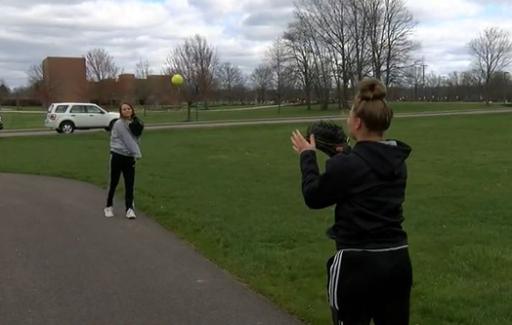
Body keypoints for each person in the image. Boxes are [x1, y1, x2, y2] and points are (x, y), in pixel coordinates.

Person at [291, 78, 413, 325]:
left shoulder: (346, 166)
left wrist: (307, 156)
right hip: (397, 261)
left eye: (349, 116)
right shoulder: (398, 162)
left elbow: (314, 196)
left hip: (357, 267)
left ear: (357, 123)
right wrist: (343, 154)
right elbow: (368, 168)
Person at [104, 102, 142, 219]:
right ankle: (109, 206)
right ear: (121, 112)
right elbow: (128, 141)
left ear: (132, 110)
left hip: (129, 157)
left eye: (128, 108)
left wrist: (138, 124)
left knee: (129, 184)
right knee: (114, 183)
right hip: (117, 156)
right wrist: (137, 154)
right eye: (124, 109)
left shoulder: (135, 123)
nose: (126, 111)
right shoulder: (118, 124)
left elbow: (137, 138)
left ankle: (129, 209)